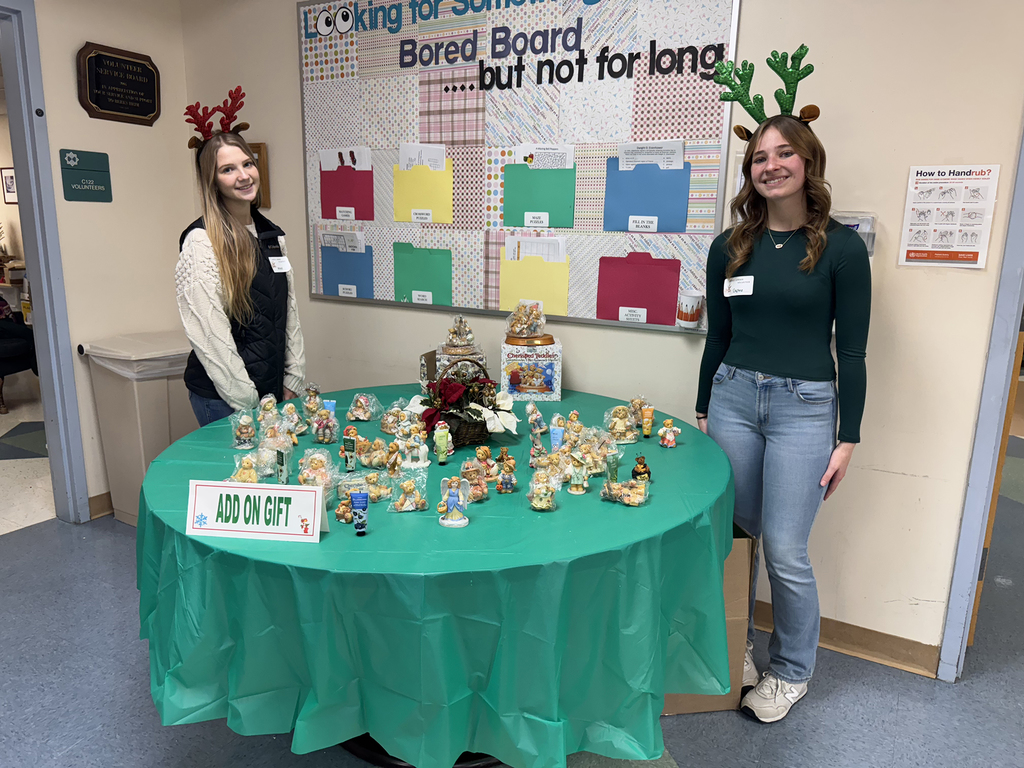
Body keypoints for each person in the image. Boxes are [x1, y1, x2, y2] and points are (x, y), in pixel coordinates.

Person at [695, 113, 871, 723]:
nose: (769, 166)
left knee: (787, 551)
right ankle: (736, 645)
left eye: (783, 154)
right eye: (758, 158)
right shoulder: (731, 245)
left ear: (807, 162)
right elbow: (717, 337)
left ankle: (790, 672)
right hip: (734, 400)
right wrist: (702, 410)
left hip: (805, 409)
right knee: (735, 539)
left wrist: (847, 438)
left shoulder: (841, 248)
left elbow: (851, 351)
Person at [176, 96, 305, 427]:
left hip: (271, 389)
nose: (244, 175)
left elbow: (286, 309)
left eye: (248, 164)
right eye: (228, 169)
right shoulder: (201, 242)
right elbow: (209, 332)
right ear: (212, 180)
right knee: (239, 477)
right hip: (225, 399)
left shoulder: (270, 235)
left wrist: (294, 375)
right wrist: (248, 402)